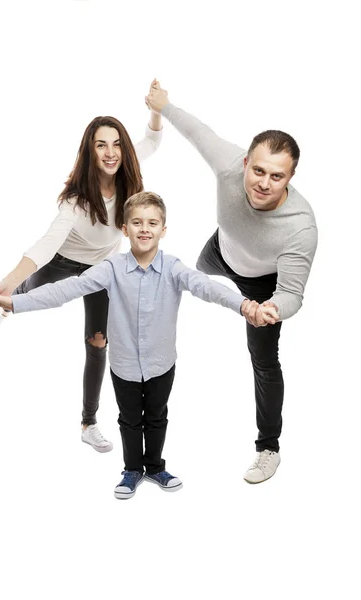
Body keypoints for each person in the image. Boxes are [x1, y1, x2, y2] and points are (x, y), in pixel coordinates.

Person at [0, 192, 279, 499]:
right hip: (123, 366)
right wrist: (13, 302)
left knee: (157, 416)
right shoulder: (110, 268)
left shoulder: (173, 268)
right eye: (137, 222)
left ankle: (155, 467)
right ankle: (133, 470)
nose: (144, 228)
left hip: (162, 363)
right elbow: (64, 290)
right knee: (130, 419)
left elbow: (208, 288)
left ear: (164, 229)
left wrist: (245, 306)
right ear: (124, 228)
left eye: (152, 223)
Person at [144, 87, 318, 484]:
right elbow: (196, 130)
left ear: (290, 178)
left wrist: (273, 308)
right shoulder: (227, 164)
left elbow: (292, 292)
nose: (264, 183)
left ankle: (268, 448)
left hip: (261, 284)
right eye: (258, 171)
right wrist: (163, 106)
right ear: (245, 163)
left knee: (264, 360)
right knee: (185, 276)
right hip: (219, 252)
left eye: (277, 176)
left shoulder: (300, 228)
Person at [0, 79, 164, 454]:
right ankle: (8, 301)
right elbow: (45, 246)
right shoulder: (77, 201)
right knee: (27, 288)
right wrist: (5, 282)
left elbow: (154, 140)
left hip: (100, 270)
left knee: (98, 342)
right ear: (90, 151)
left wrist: (156, 110)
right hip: (62, 261)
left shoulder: (128, 172)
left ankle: (88, 422)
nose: (110, 152)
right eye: (101, 145)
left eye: (116, 144)